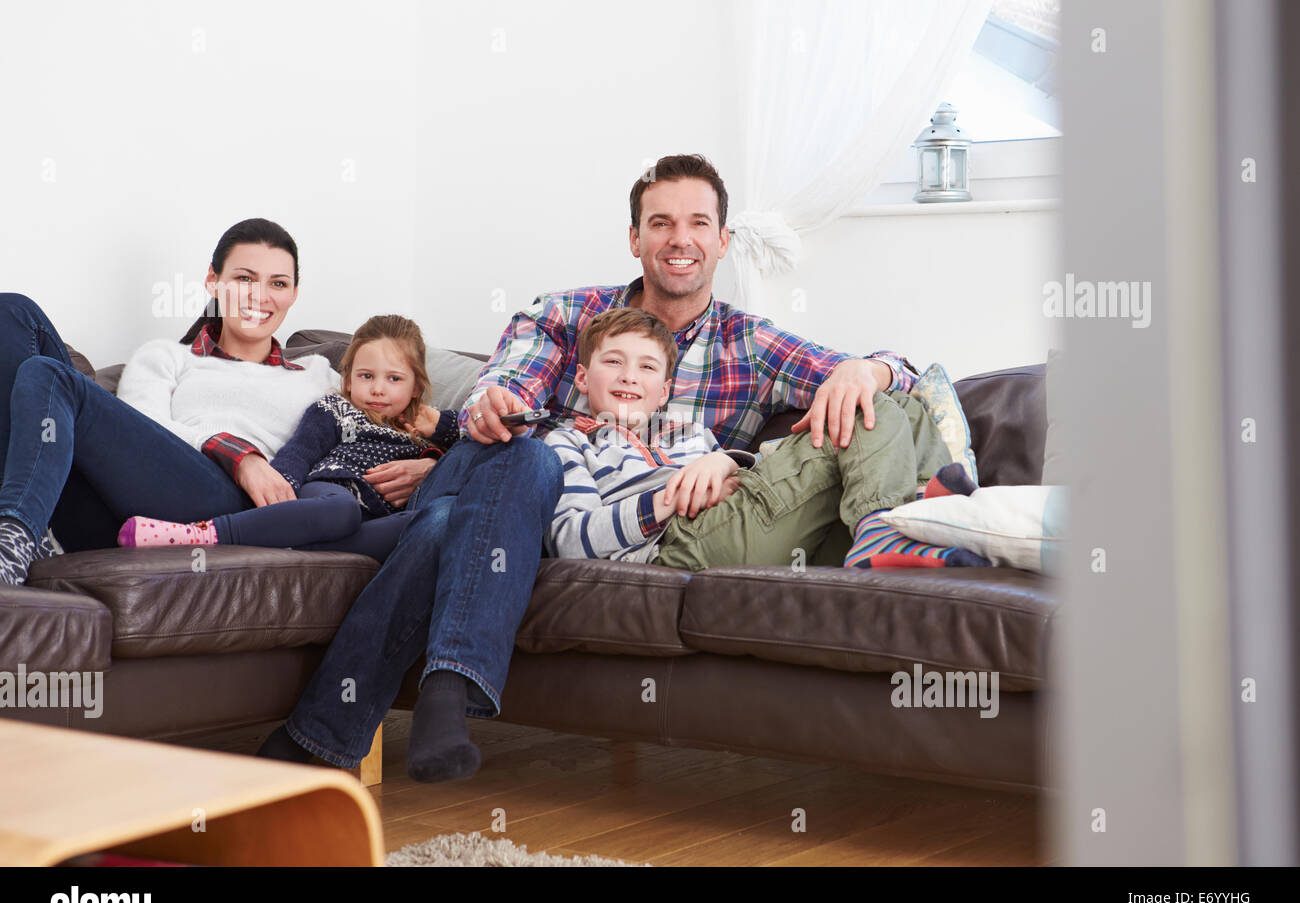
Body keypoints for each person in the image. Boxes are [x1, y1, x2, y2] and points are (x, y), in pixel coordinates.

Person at [257, 153, 943, 785]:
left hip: (531, 518)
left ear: (724, 241)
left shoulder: (750, 343)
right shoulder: (565, 315)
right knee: (520, 450)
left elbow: (888, 383)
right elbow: (506, 397)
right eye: (661, 222)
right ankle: (440, 688)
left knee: (438, 523)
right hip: (515, 467)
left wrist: (867, 365)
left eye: (699, 223)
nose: (680, 239)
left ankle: (334, 732)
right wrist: (498, 403)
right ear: (635, 237)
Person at [0, 218, 395, 588]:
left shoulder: (320, 375)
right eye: (244, 278)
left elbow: (393, 424)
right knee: (14, 313)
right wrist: (240, 457)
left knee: (46, 375)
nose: (260, 296)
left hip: (242, 513)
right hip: (131, 505)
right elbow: (145, 431)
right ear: (213, 280)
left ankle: (15, 541)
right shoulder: (166, 358)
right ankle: (18, 537)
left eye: (277, 283)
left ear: (293, 293)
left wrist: (425, 461)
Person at [543, 307, 990, 570]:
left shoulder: (687, 432)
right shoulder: (568, 444)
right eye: (613, 362)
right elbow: (569, 540)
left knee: (899, 405)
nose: (628, 377)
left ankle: (921, 527)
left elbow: (752, 485)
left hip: (755, 528)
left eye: (646, 367)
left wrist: (727, 462)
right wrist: (669, 498)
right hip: (678, 543)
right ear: (582, 377)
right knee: (860, 408)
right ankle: (892, 525)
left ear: (664, 391)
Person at [116, 314, 459, 562]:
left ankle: (287, 543)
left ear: (416, 385)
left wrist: (432, 435)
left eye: (395, 379)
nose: (378, 389)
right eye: (366, 376)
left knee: (427, 524)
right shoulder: (334, 409)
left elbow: (468, 435)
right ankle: (202, 534)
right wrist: (283, 494)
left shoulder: (421, 432)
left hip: (375, 520)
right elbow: (300, 451)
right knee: (342, 512)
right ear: (349, 380)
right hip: (330, 491)